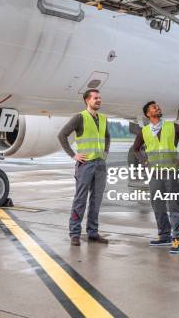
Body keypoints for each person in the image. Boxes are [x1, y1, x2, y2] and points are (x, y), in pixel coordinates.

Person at [133, 101, 179, 254]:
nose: (158, 108)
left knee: (174, 206)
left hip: (171, 173)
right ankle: (164, 235)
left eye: (158, 106)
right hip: (154, 173)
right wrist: (144, 161)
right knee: (158, 205)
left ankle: (178, 238)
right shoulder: (145, 131)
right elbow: (136, 149)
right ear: (148, 114)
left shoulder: (172, 126)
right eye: (154, 107)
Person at [58, 89, 110, 246]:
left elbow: (107, 136)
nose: (99, 100)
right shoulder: (80, 117)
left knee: (96, 200)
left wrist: (106, 152)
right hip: (85, 164)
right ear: (87, 101)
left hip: (100, 164)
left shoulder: (103, 118)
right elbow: (62, 135)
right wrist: (73, 155)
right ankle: (74, 233)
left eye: (100, 97)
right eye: (95, 98)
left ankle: (93, 233)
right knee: (80, 200)